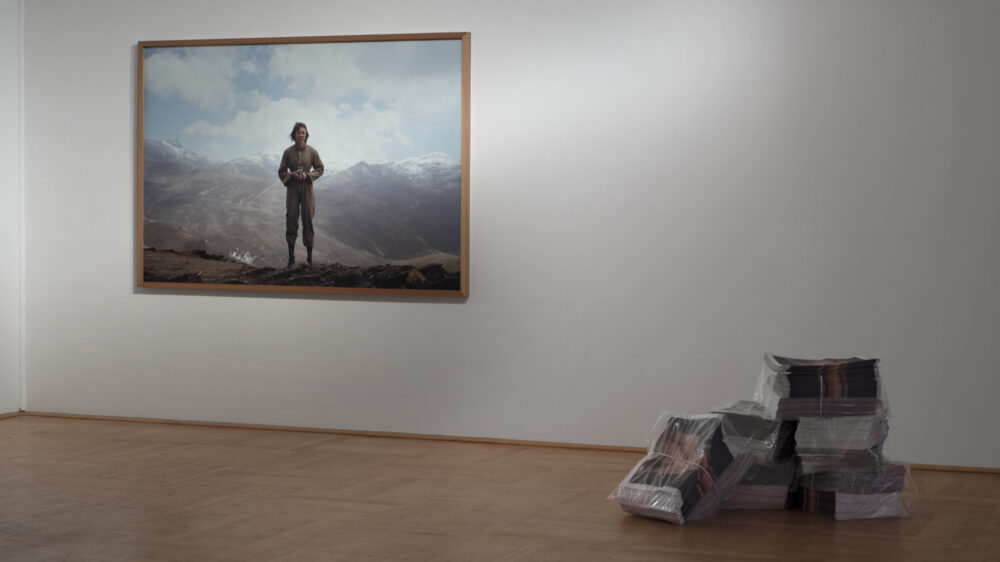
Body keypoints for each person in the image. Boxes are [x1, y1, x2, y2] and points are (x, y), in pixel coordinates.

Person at [278, 122, 324, 268]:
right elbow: (281, 171)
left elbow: (320, 168)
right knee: (291, 220)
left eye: (303, 132)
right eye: (298, 132)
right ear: (294, 135)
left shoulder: (312, 152)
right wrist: (290, 175)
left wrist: (308, 175)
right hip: (292, 189)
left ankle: (310, 259)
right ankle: (291, 259)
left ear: (306, 135)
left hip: (307, 189)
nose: (301, 135)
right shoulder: (287, 152)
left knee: (307, 221)